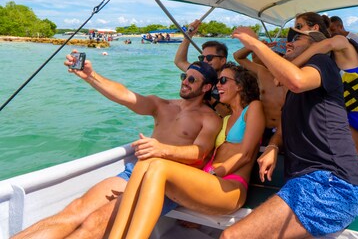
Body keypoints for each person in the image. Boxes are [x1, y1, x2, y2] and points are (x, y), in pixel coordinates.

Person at [12, 58, 222, 239]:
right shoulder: (162, 105)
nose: (185, 82)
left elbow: (200, 152)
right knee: (75, 210)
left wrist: (161, 150)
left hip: (164, 185)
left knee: (94, 223)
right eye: (184, 77)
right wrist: (91, 76)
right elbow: (125, 96)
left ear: (206, 88)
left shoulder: (210, 119)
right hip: (134, 171)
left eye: (192, 79)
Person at [223, 27, 358, 238]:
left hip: (331, 185)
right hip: (307, 183)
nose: (288, 42)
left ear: (315, 46)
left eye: (297, 39)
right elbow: (283, 126)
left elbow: (296, 80)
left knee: (231, 236)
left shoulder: (323, 64)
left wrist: (255, 44)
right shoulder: (294, 96)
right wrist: (272, 145)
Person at [108, 63, 265, 239]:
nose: (218, 86)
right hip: (209, 183)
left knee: (159, 165)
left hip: (230, 186)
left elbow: (246, 155)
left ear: (239, 85)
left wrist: (212, 175)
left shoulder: (253, 108)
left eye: (223, 80)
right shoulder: (225, 117)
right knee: (146, 162)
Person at [289, 25, 358, 157]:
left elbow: (328, 43)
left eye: (298, 36)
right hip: (349, 117)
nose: (293, 40)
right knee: (353, 162)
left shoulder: (342, 44)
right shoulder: (321, 64)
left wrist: (293, 64)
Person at [233, 46, 287, 147]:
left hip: (286, 130)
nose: (277, 59)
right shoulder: (263, 72)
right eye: (274, 55)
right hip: (264, 128)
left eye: (281, 55)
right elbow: (238, 57)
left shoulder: (297, 77)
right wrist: (255, 44)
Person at [174, 19, 230, 116]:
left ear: (222, 61)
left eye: (209, 58)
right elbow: (179, 61)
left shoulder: (231, 80)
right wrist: (189, 35)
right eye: (201, 57)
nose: (204, 61)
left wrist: (210, 98)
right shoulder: (200, 72)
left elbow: (230, 114)